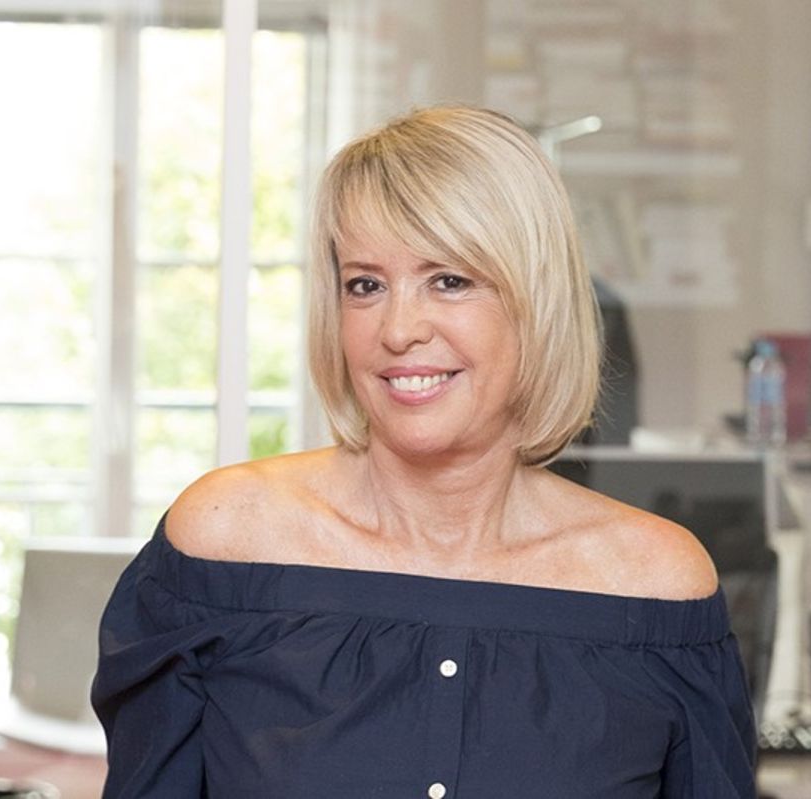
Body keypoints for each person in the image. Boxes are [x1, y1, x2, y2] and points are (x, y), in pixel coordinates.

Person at [92, 105, 756, 797]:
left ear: (537, 303)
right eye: (366, 285)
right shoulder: (224, 541)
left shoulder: (656, 585)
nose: (398, 329)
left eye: (449, 280)